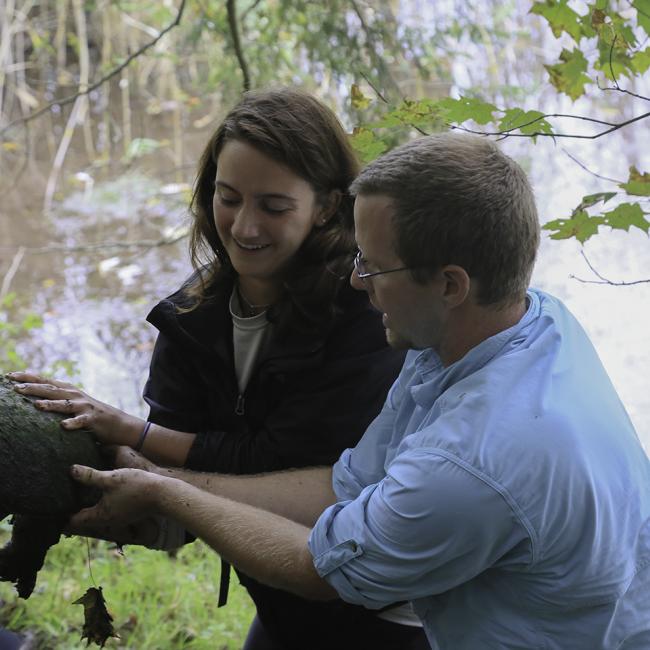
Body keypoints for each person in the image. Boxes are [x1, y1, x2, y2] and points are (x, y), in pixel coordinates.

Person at [17, 131, 650, 648]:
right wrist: (170, 479)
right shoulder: (520, 326)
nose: (354, 280)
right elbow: (343, 487)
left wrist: (164, 493)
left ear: (452, 284)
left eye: (372, 264)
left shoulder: (471, 463)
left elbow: (321, 568)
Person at [7, 89, 430, 649]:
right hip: (277, 596)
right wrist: (111, 481)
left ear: (328, 206)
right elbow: (171, 484)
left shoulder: (368, 313)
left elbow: (284, 464)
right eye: (228, 198)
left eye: (273, 207)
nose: (245, 227)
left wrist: (137, 434)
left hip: (388, 612)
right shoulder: (189, 318)